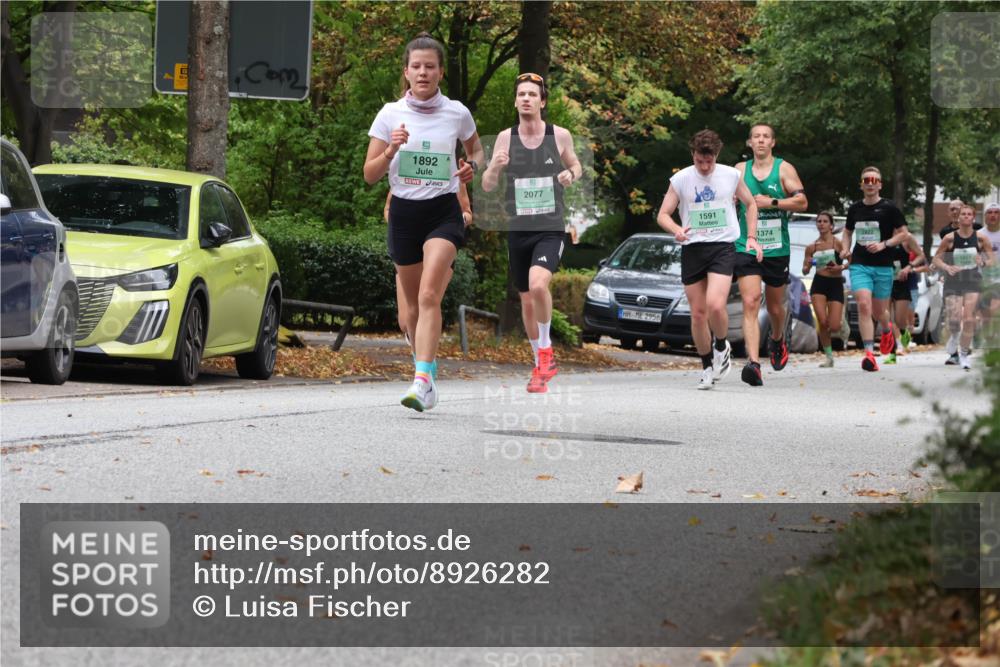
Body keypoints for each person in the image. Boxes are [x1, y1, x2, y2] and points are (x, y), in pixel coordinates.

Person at [364, 32, 484, 411]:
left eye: (429, 66)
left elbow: (476, 149)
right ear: (406, 72)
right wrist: (391, 149)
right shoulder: (389, 114)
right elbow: (369, 174)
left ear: (440, 73)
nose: (423, 72)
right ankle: (426, 373)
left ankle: (420, 380)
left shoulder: (457, 112)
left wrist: (471, 167)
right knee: (408, 313)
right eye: (416, 66)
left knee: (430, 295)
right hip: (403, 214)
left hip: (443, 212)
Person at [481, 72, 583, 393]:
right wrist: (495, 166)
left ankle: (546, 349)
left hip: (550, 228)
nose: (526, 98)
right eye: (521, 94)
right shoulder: (504, 138)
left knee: (539, 285)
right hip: (518, 229)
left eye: (532, 94)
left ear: (542, 101)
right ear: (516, 101)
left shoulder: (560, 135)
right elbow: (487, 185)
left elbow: (578, 167)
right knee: (526, 302)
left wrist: (569, 174)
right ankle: (540, 363)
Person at [656, 129, 761, 390]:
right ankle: (705, 367)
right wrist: (676, 230)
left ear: (717, 155)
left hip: (722, 246)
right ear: (692, 154)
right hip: (693, 248)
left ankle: (721, 344)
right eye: (699, 161)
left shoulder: (731, 175)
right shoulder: (681, 179)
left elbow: (751, 204)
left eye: (709, 161)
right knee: (698, 314)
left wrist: (751, 237)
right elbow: (663, 215)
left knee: (716, 305)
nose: (704, 166)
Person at [733, 124, 808, 386]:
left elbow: (802, 202)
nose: (761, 140)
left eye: (766, 137)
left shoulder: (784, 169)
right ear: (749, 143)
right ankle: (753, 363)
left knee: (776, 307)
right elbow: (726, 198)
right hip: (747, 244)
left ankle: (777, 339)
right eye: (756, 137)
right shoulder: (739, 171)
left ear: (773, 142)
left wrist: (772, 202)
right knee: (751, 301)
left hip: (777, 247)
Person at [385, 184, 473, 352]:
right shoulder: (405, 175)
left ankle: (425, 369)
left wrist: (459, 220)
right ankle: (420, 356)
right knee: (405, 321)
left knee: (428, 299)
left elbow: (467, 212)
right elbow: (388, 208)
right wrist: (400, 222)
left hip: (440, 243)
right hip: (408, 243)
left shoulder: (452, 174)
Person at [841, 166, 909, 372]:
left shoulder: (889, 208)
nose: (870, 183)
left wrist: (884, 244)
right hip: (860, 264)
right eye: (866, 180)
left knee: (880, 311)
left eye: (874, 180)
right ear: (861, 184)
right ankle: (869, 353)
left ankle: (887, 331)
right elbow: (847, 231)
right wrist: (845, 248)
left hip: (883, 266)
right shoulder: (855, 209)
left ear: (880, 184)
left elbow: (904, 234)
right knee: (863, 305)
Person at [933, 204, 995, 370]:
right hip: (953, 281)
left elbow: (991, 260)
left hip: (973, 281)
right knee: (954, 320)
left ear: (973, 218)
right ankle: (954, 336)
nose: (966, 217)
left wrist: (982, 262)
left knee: (969, 318)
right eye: (963, 214)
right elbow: (936, 259)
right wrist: (947, 267)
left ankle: (963, 354)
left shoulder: (981, 239)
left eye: (969, 214)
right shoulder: (949, 238)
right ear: (958, 218)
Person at [802, 211, 846, 368]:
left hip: (835, 284)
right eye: (819, 221)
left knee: (834, 326)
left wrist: (840, 266)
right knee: (822, 321)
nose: (821, 223)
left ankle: (842, 323)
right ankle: (828, 357)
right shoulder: (811, 247)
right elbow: (805, 270)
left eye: (825, 221)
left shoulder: (838, 243)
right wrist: (807, 264)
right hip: (819, 284)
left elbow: (851, 261)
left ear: (831, 225)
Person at [885, 231, 926, 363]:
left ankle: (904, 333)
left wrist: (909, 267)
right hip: (885, 283)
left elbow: (921, 256)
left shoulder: (906, 238)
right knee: (888, 318)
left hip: (902, 283)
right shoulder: (882, 238)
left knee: (899, 319)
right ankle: (892, 353)